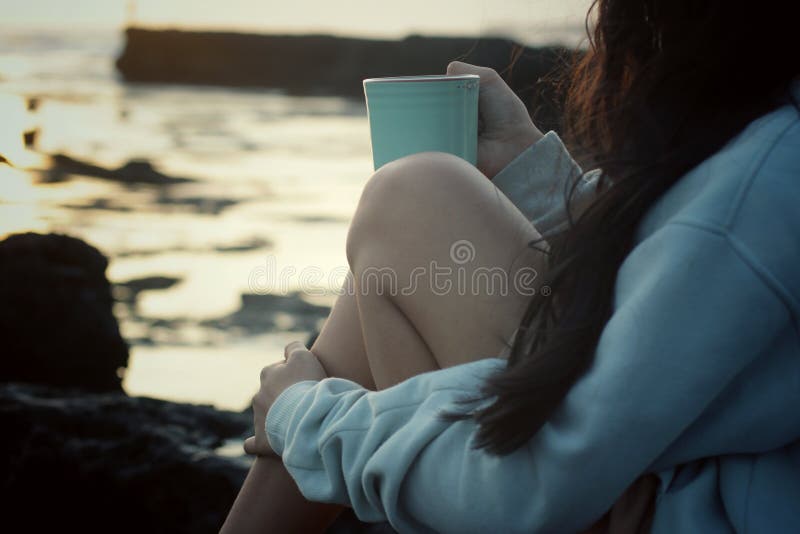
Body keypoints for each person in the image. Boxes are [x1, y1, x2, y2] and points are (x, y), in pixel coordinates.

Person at [221, 0, 800, 532]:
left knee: (414, 195)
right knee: (414, 211)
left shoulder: (766, 182)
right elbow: (675, 281)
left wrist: (307, 420)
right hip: (651, 479)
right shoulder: (766, 142)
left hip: (626, 503)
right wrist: (531, 168)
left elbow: (539, 480)